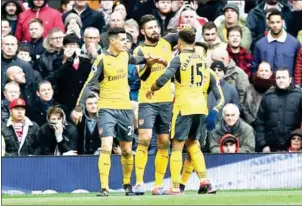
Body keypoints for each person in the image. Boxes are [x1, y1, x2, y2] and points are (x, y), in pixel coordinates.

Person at [72, 27, 164, 197]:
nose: (125, 43)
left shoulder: (125, 56)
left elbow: (136, 59)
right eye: (122, 40)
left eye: (126, 40)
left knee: (127, 150)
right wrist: (79, 107)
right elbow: (89, 84)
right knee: (106, 146)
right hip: (106, 108)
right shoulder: (101, 60)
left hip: (126, 109)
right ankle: (104, 187)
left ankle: (127, 183)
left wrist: (148, 60)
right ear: (112, 41)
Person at [146, 28, 224, 195]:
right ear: (194, 43)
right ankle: (205, 180)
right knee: (193, 145)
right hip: (201, 108)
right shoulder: (203, 62)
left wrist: (152, 88)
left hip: (184, 107)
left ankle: (175, 187)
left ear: (180, 43)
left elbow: (164, 78)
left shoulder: (179, 58)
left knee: (176, 147)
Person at [132, 14, 173, 195]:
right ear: (143, 31)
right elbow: (142, 77)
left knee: (164, 143)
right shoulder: (139, 51)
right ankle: (139, 182)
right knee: (145, 139)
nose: (154, 30)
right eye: (150, 28)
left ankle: (158, 185)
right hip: (147, 101)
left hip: (166, 101)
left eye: (156, 27)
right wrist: (149, 65)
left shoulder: (166, 44)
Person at [254, 68, 302, 152]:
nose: (281, 80)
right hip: (271, 148)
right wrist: (263, 145)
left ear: (290, 79)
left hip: (294, 149)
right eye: (278, 78)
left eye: (284, 77)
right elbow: (260, 123)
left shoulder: (299, 96)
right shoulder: (268, 96)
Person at [48, 34, 92, 116]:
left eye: (74, 45)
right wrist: (65, 60)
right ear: (64, 47)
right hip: (64, 101)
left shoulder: (86, 62)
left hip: (81, 101)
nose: (72, 48)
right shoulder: (57, 61)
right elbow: (55, 78)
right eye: (69, 45)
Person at [251, 10, 301, 76]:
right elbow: (254, 67)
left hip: (288, 84)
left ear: (282, 22)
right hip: (266, 84)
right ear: (268, 23)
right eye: (272, 22)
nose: (275, 25)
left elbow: (299, 66)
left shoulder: (294, 43)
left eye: (278, 22)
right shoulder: (260, 44)